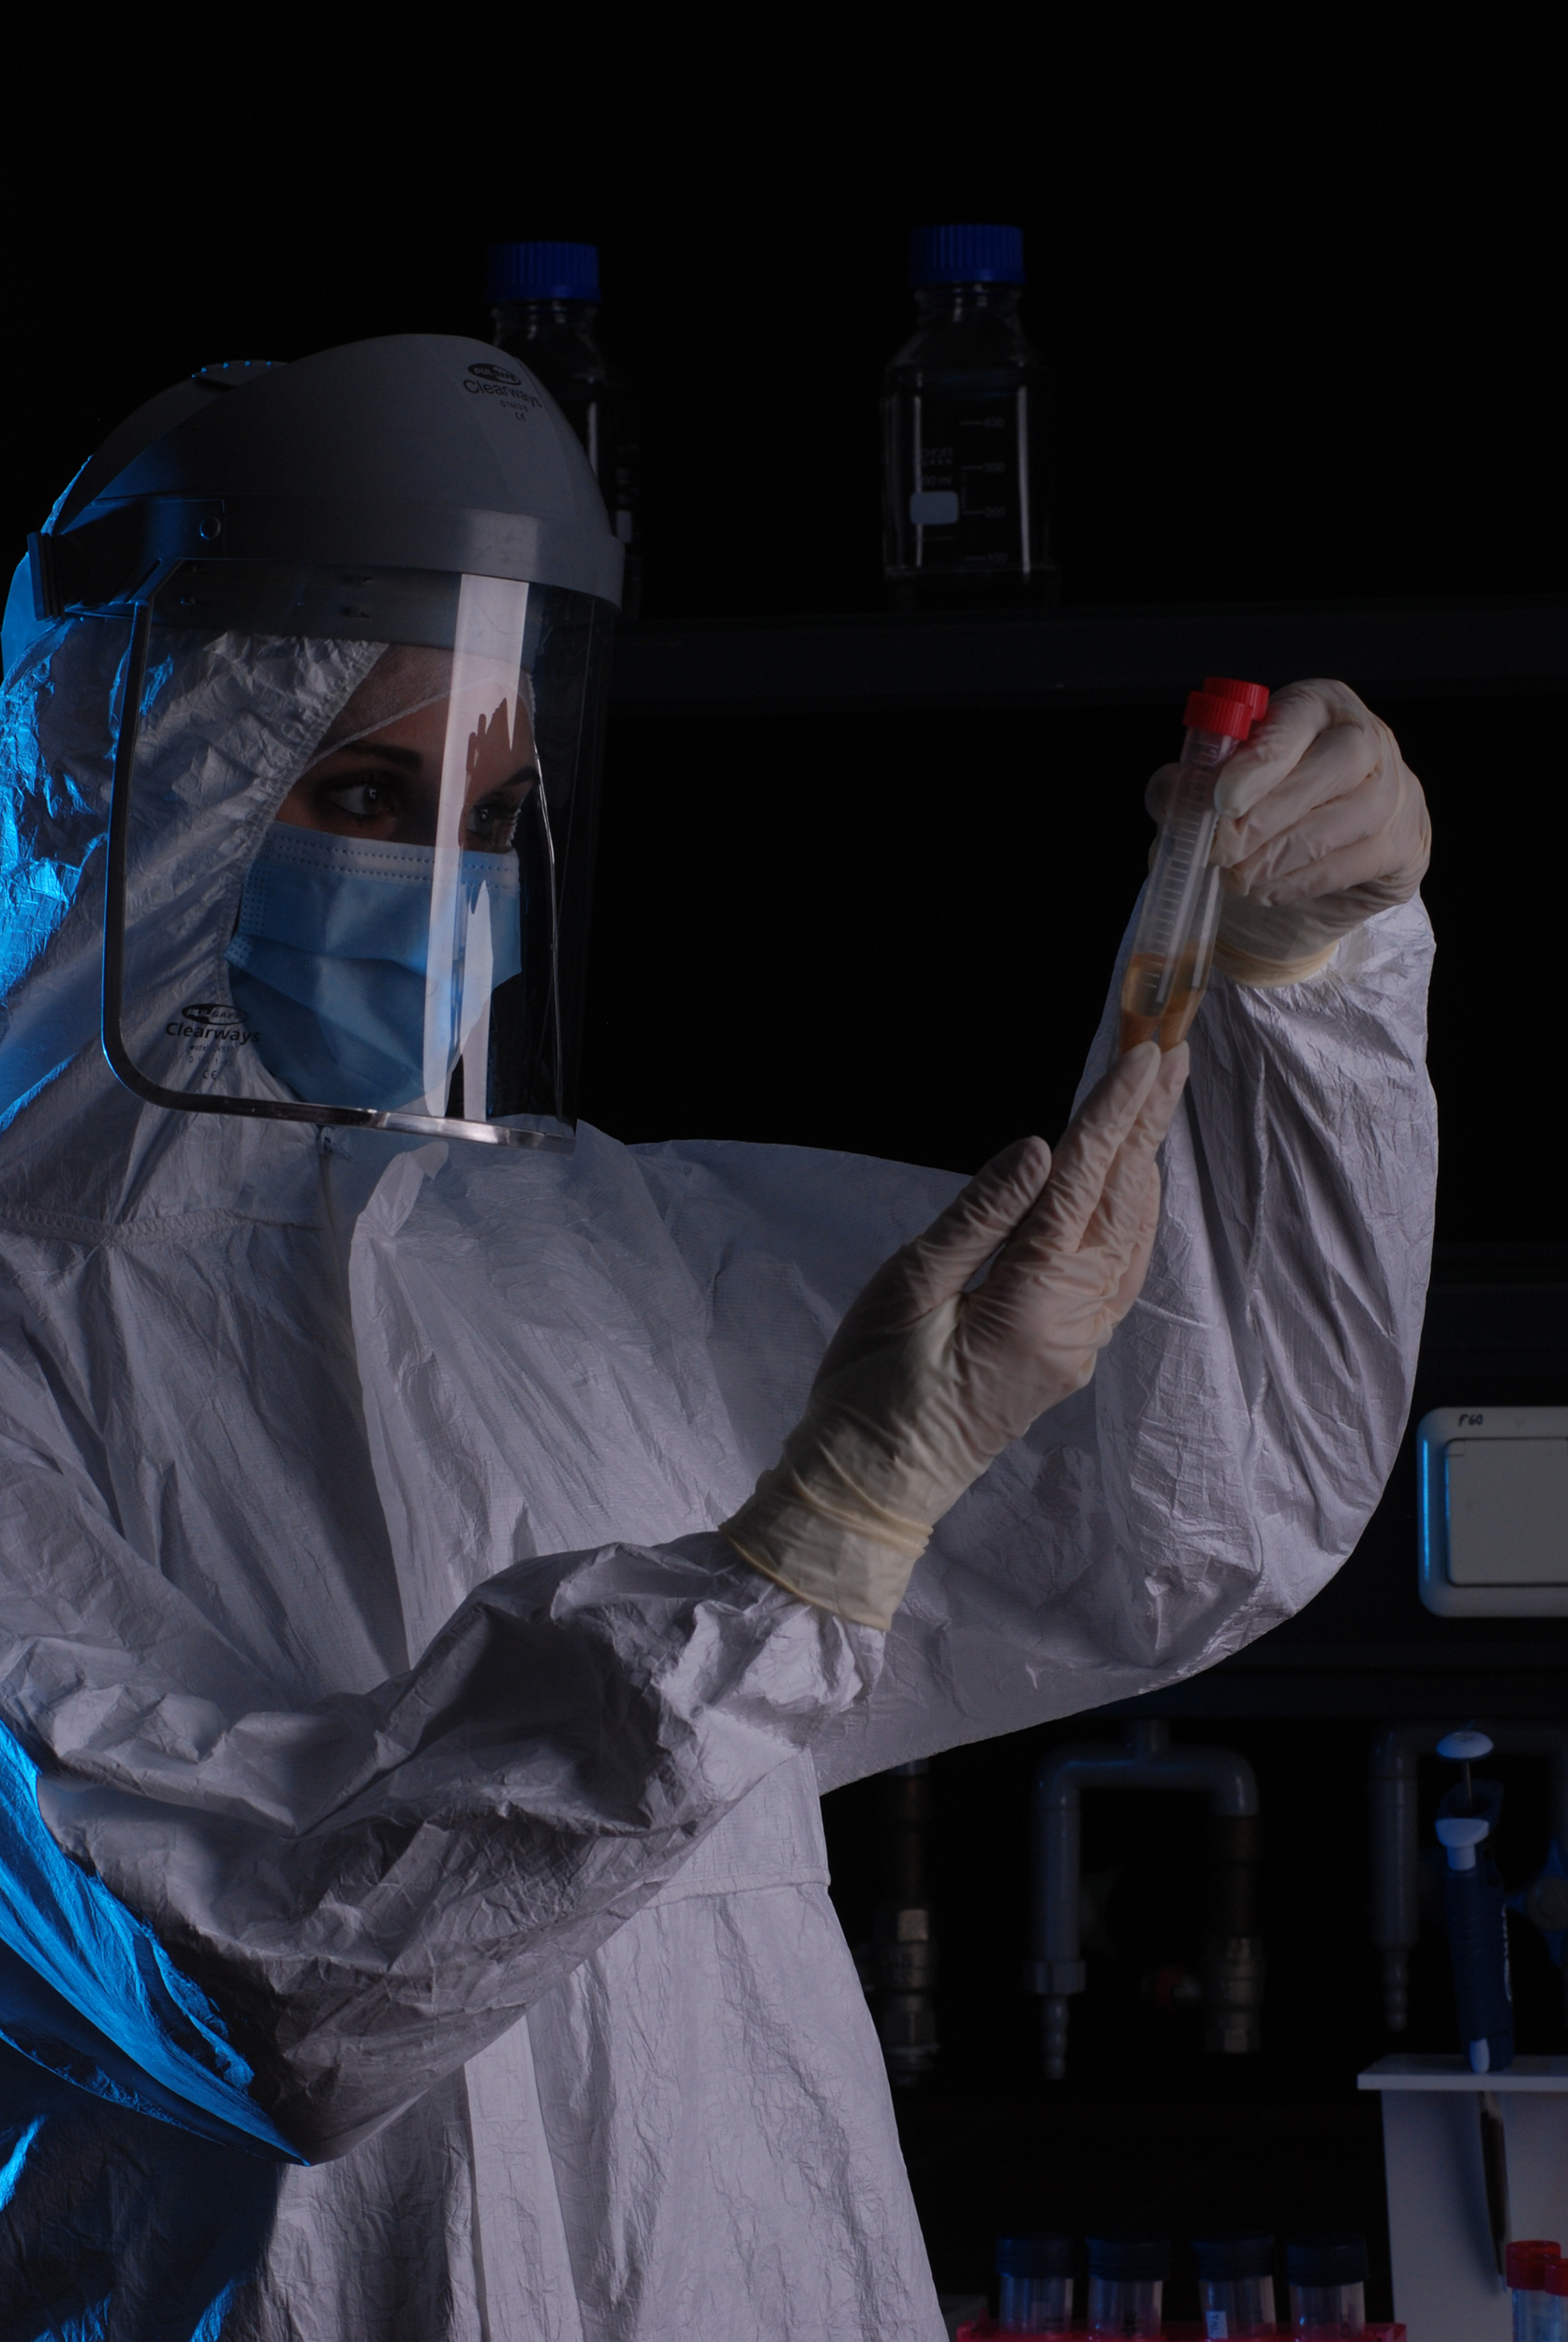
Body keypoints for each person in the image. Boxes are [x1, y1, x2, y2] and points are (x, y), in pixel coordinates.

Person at [0, 336, 1435, 2342]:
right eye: (356, 788)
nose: (436, 887)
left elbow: (1199, 1503)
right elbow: (280, 1990)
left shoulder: (607, 1242)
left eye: (492, 810)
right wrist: (809, 1546)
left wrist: (1312, 975)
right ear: (136, 782)